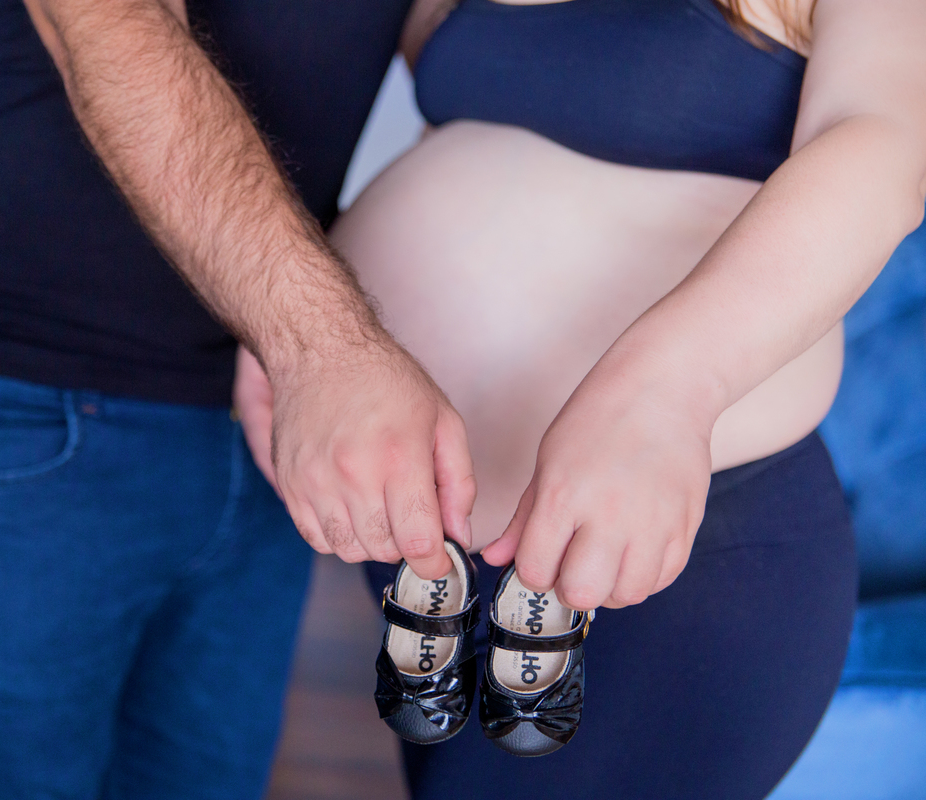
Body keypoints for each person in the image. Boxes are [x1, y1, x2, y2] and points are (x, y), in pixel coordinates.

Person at [233, 0, 926, 797]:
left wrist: (661, 395)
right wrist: (295, 327)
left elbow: (881, 146)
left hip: (680, 547)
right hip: (436, 555)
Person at [0, 0, 479, 797]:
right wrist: (321, 342)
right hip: (30, 379)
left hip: (265, 392)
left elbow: (465, 53)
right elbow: (111, 27)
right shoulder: (311, 343)